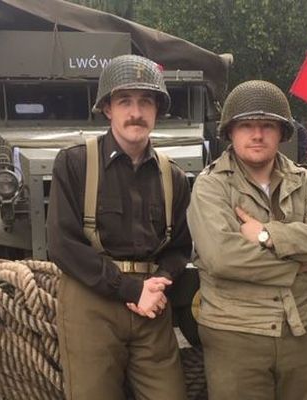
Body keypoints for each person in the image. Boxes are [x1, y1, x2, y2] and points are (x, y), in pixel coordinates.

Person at [187, 80, 307, 400]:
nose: (257, 135)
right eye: (246, 125)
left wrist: (267, 233)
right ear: (230, 132)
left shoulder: (306, 183)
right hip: (236, 334)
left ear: (282, 133)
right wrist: (298, 264)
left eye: (267, 126)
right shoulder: (211, 186)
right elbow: (222, 258)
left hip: (300, 330)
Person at [47, 54, 191, 400]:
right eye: (124, 101)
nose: (136, 112)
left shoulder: (173, 176)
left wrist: (160, 283)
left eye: (145, 102)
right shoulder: (75, 163)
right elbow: (63, 245)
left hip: (152, 302)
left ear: (156, 110)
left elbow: (181, 247)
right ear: (107, 109)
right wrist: (130, 290)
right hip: (91, 298)